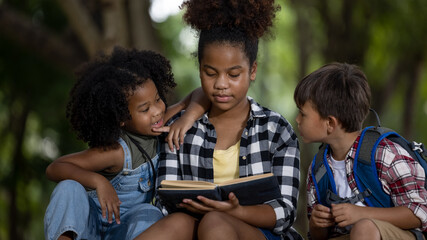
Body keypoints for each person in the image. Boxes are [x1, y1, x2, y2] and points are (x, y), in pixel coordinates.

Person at [135, 0, 302, 240]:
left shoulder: (276, 130)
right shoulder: (182, 130)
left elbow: (285, 212)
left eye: (233, 74)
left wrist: (237, 211)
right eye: (210, 73)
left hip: (260, 233)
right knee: (177, 223)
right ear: (200, 68)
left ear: (252, 70)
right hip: (196, 228)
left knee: (215, 220)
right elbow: (165, 199)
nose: (221, 84)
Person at [44, 47, 207, 240]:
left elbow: (200, 92)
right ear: (122, 117)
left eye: (157, 99)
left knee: (149, 211)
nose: (156, 111)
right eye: (145, 109)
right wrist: (99, 182)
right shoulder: (117, 151)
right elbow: (55, 168)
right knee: (69, 187)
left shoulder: (160, 124)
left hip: (124, 232)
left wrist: (186, 119)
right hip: (88, 228)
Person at [293, 62, 427, 240]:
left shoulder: (386, 155)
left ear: (330, 123)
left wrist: (362, 214)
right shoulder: (318, 170)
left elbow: (419, 213)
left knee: (364, 228)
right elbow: (317, 237)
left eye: (303, 114)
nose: (297, 119)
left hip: (398, 236)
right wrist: (317, 225)